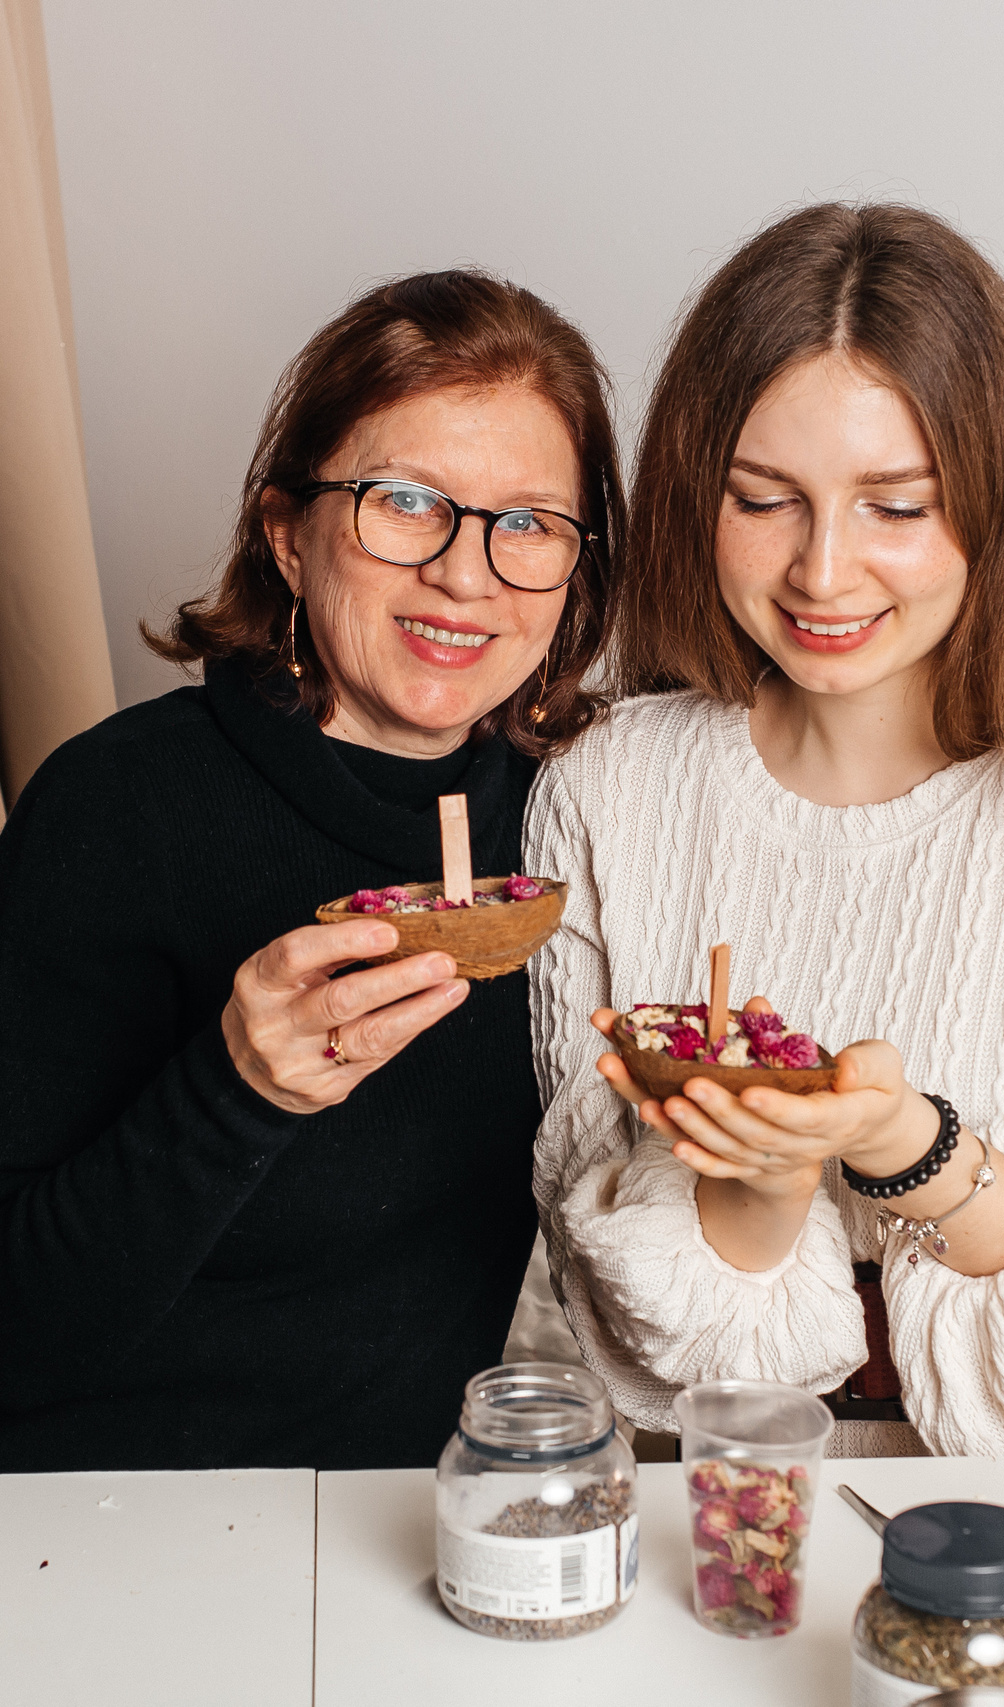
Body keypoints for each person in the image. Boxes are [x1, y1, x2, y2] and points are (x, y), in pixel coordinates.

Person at [525, 203, 1004, 1457]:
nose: (821, 570)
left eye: (895, 507)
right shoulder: (606, 792)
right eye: (766, 500)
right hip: (706, 1509)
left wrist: (903, 1145)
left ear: (999, 505)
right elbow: (619, 1328)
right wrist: (759, 1185)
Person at [0, 270, 623, 1470]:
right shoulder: (115, 810)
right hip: (98, 1524)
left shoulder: (580, 822)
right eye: (403, 502)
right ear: (288, 537)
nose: (465, 571)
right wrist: (236, 1090)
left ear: (574, 573)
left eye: (529, 523)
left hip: (415, 1521)